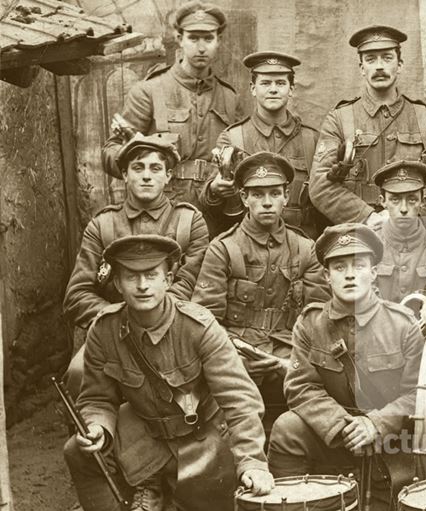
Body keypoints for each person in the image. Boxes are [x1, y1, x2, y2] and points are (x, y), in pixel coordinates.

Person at [46, 235, 273, 511]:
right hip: (149, 433)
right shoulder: (104, 329)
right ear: (117, 283)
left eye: (151, 274)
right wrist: (97, 427)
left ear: (168, 278)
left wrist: (252, 462)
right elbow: (96, 398)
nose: (141, 285)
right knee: (79, 450)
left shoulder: (199, 327)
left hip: (203, 440)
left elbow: (240, 401)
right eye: (131, 276)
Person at [63, 134, 210, 511]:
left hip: (176, 332)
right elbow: (77, 294)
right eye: (138, 168)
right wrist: (120, 320)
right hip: (115, 333)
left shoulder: (188, 221)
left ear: (169, 176)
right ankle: (97, 481)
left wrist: (158, 320)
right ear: (124, 175)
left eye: (156, 168)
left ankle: (161, 486)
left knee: (179, 379)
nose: (147, 176)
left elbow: (194, 286)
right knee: (80, 374)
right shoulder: (104, 224)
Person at [267, 224, 424, 511]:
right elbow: (301, 387)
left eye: (359, 265)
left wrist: (376, 424)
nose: (350, 274)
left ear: (374, 272)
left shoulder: (403, 326)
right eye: (339, 267)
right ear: (326, 276)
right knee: (287, 428)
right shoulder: (311, 323)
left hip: (390, 440)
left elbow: (417, 394)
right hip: (336, 435)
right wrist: (344, 427)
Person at [193, 152, 327, 431]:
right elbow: (206, 323)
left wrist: (289, 360)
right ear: (244, 198)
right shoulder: (223, 249)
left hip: (289, 349)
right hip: (236, 350)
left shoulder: (305, 249)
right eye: (257, 194)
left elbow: (318, 320)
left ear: (286, 196)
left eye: (274, 193)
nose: (266, 202)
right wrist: (234, 354)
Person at [101, 1, 241, 220]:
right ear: (180, 40)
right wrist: (134, 152)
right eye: (193, 38)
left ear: (218, 41)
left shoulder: (230, 98)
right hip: (161, 212)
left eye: (208, 38)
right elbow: (110, 153)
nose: (201, 47)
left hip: (215, 213)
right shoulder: (149, 90)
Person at [308, 25, 426, 229]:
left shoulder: (424, 117)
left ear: (400, 65)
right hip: (358, 233)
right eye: (370, 59)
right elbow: (320, 185)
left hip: (414, 231)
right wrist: (367, 217)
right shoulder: (340, 119)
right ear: (362, 68)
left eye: (387, 58)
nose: (379, 66)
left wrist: (410, 218)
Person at [201, 51, 321, 237]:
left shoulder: (310, 139)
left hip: (301, 245)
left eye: (280, 83)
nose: (273, 89)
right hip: (247, 245)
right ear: (253, 88)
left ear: (291, 89)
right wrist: (215, 190)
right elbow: (208, 202)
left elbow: (322, 200)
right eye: (265, 83)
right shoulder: (232, 137)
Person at [370, 160, 426, 303]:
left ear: (423, 201)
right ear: (383, 201)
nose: (403, 209)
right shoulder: (368, 245)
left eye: (412, 200)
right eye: (395, 200)